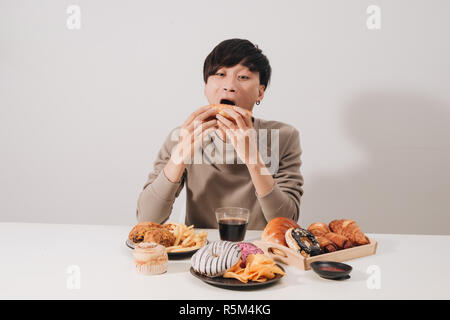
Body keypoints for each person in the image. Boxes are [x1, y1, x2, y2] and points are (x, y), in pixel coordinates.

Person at [136, 38, 304, 230]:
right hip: (200, 251)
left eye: (243, 77)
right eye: (220, 74)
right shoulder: (182, 136)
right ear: (206, 87)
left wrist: (252, 158)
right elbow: (147, 219)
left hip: (261, 252)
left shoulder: (282, 137)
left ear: (260, 92)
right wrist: (180, 154)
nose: (229, 85)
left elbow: (286, 221)